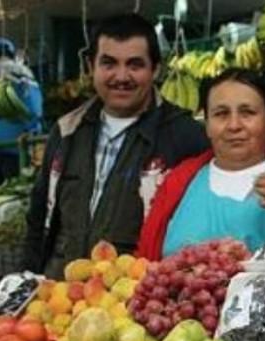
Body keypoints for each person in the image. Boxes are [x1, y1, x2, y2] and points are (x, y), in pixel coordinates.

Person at [24, 13, 209, 278]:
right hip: (61, 292)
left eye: (135, 65)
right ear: (91, 66)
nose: (121, 76)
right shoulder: (67, 131)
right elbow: (38, 216)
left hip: (136, 293)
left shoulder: (186, 136)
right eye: (109, 63)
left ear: (155, 69)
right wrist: (28, 278)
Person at [137, 68, 265, 259]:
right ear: (207, 125)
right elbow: (146, 260)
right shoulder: (179, 181)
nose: (234, 125)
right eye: (221, 114)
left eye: (247, 113)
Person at [0, 37, 44, 186]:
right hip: (17, 145)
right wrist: (33, 131)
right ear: (12, 54)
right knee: (16, 190)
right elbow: (34, 108)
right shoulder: (24, 74)